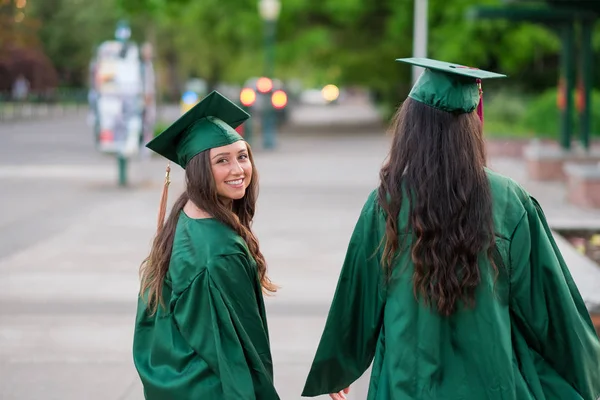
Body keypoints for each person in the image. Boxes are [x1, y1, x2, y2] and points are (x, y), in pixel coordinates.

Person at [301, 58, 600, 400]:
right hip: (490, 382)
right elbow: (548, 306)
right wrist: (583, 372)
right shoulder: (509, 201)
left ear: (411, 129)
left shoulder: (387, 202)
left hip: (406, 383)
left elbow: (359, 296)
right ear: (473, 126)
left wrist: (342, 364)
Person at [133, 91, 280, 399]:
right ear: (199, 169)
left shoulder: (184, 218)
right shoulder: (220, 250)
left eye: (242, 156)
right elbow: (240, 351)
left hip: (179, 382)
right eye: (222, 161)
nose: (239, 170)